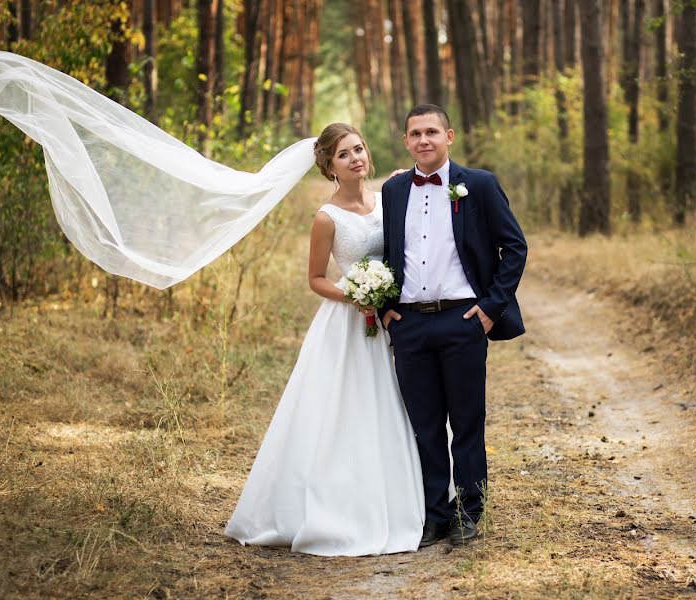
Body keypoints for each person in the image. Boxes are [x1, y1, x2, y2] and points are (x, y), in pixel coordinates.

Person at [224, 123, 425, 556]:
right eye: (343, 155)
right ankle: (338, 504)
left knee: (400, 403)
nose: (355, 158)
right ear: (330, 167)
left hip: (394, 315)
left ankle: (410, 499)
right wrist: (357, 295)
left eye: (358, 148)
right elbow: (316, 279)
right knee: (344, 407)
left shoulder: (389, 195)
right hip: (349, 321)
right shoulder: (326, 217)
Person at [380, 104, 527, 547]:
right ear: (406, 142)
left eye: (431, 132)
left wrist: (489, 310)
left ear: (449, 135)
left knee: (466, 423)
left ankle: (469, 511)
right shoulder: (393, 190)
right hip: (409, 325)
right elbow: (388, 251)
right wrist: (388, 309)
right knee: (424, 426)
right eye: (415, 134)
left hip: (463, 320)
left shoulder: (478, 185)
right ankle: (433, 516)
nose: (423, 140)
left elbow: (514, 247)